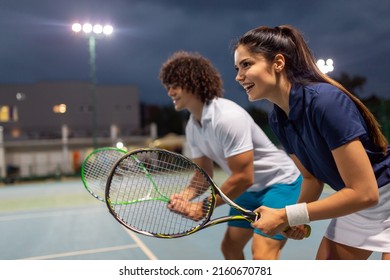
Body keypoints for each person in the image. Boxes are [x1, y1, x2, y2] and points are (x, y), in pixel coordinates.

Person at [233, 25, 390, 260]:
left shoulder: (325, 102)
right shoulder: (278, 118)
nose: (238, 76)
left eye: (246, 64)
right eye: (237, 68)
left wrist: (287, 215)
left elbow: (365, 192)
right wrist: (296, 217)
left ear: (278, 62)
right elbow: (311, 178)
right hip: (359, 207)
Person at [158, 50, 303, 260]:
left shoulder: (227, 117)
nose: (170, 92)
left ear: (193, 83)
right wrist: (185, 196)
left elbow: (244, 177)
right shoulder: (193, 126)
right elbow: (203, 173)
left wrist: (204, 206)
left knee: (262, 255)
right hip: (250, 190)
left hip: (280, 183)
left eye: (174, 85)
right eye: (167, 87)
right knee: (230, 248)